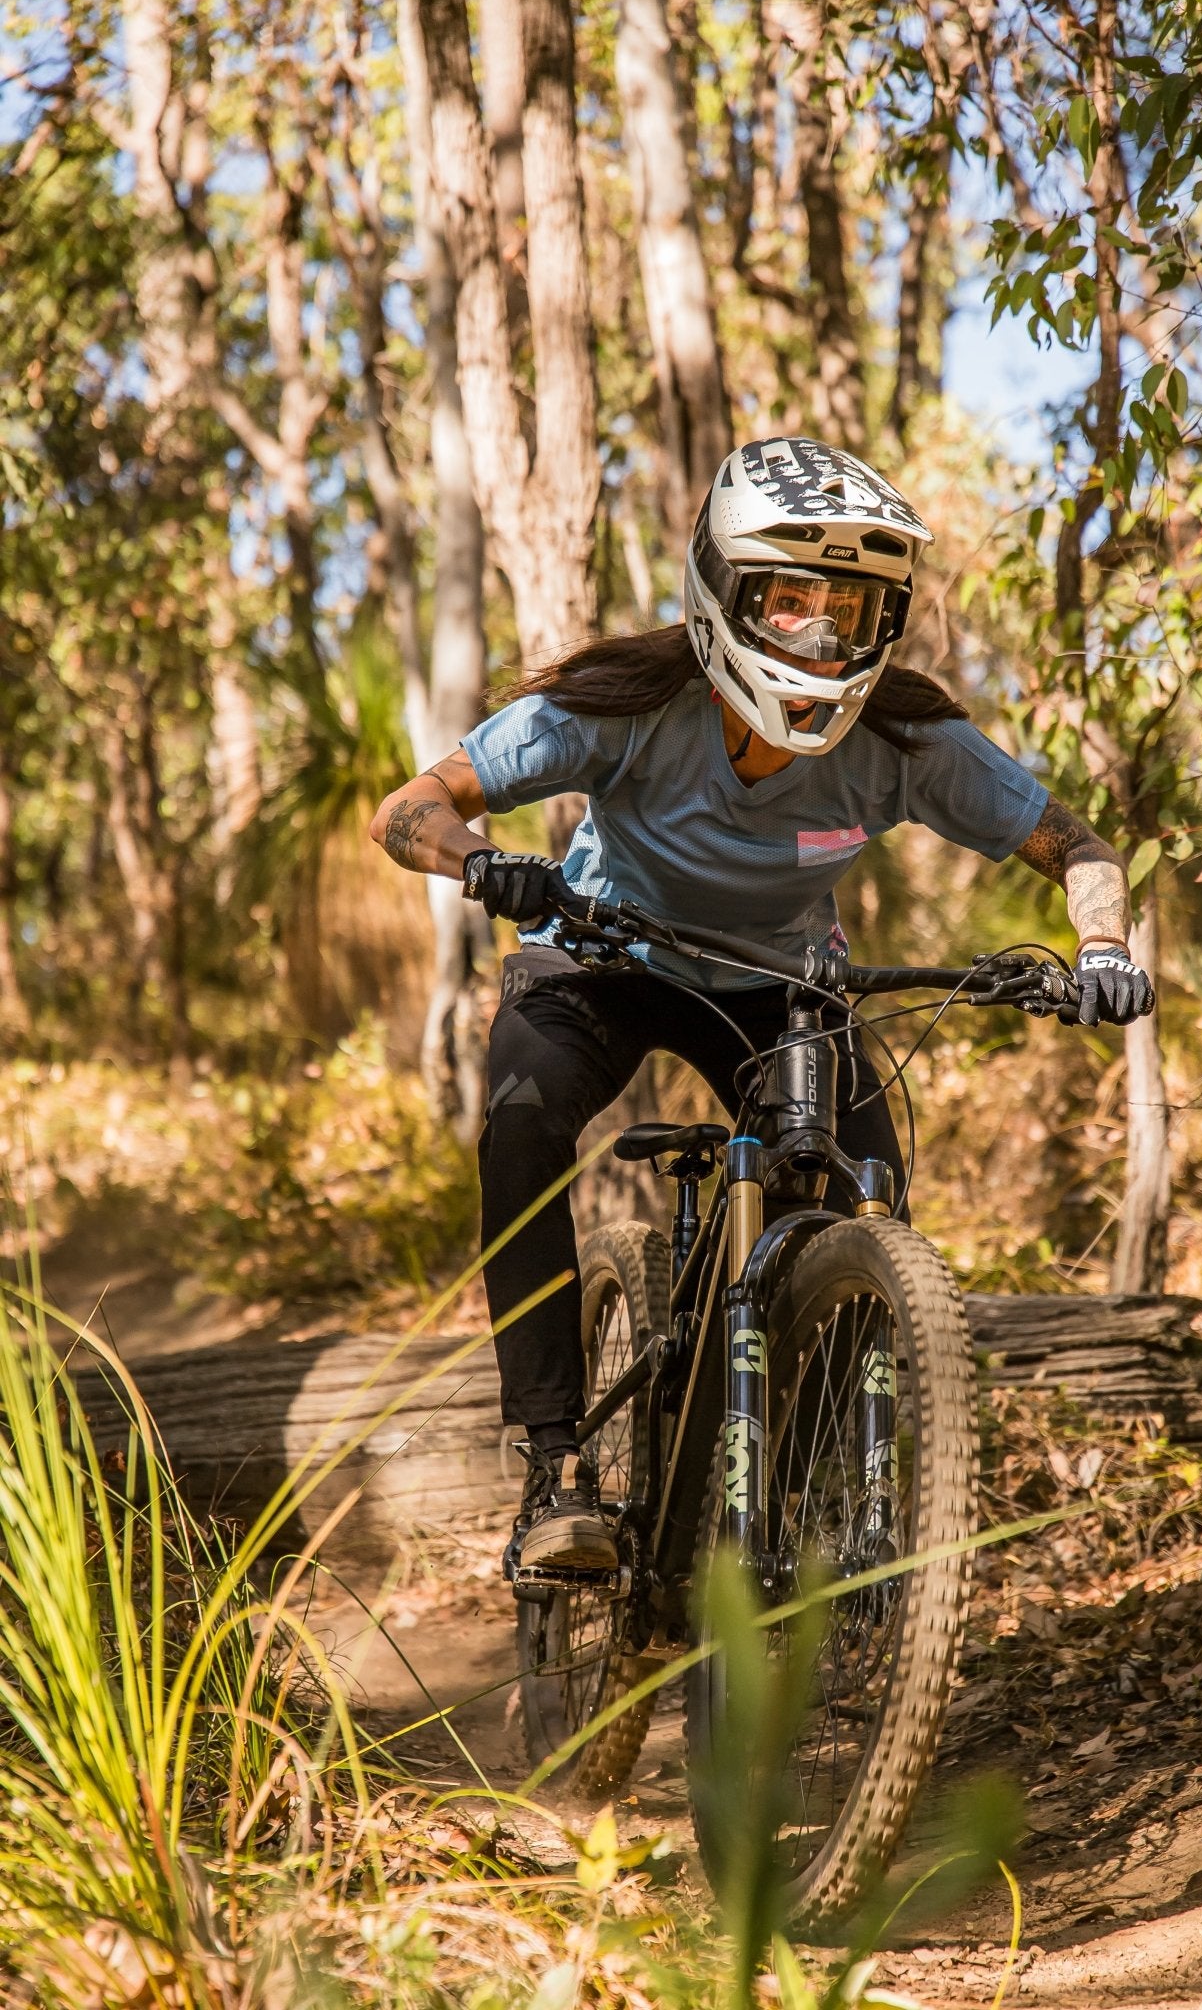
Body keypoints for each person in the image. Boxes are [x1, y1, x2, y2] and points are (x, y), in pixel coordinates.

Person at [370, 436, 1154, 1578]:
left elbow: (1077, 843)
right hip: (600, 950)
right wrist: (484, 863)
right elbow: (409, 808)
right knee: (524, 1117)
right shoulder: (626, 704)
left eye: (850, 610)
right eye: (789, 601)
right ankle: (554, 1467)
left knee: (865, 1194)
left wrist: (1101, 945)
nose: (819, 636)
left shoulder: (904, 740)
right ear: (723, 592)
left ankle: (791, 1468)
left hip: (779, 984)